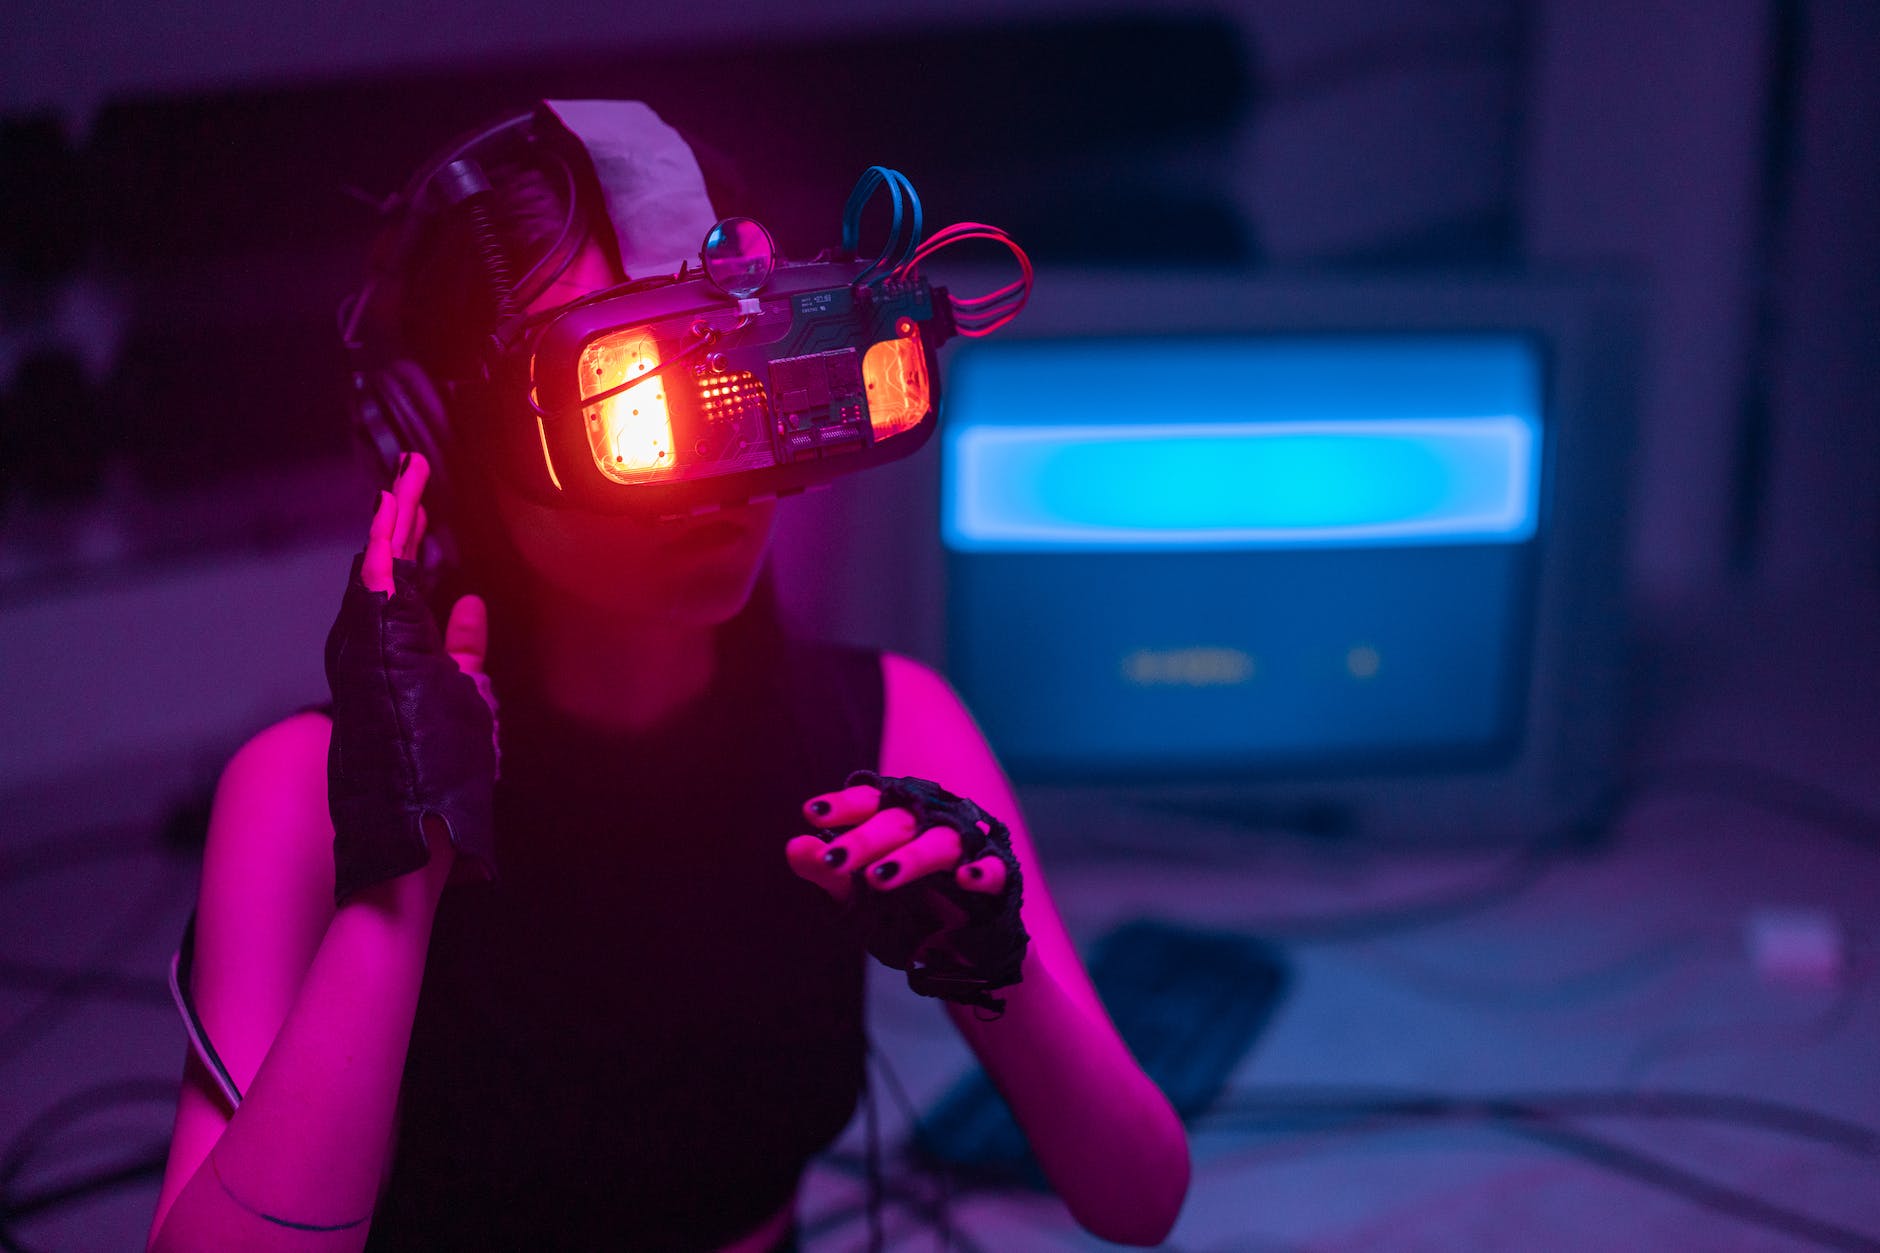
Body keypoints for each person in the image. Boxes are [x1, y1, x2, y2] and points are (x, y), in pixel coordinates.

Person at [145, 100, 1189, 1252]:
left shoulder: (886, 733)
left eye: (735, 368)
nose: (713, 466)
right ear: (440, 440)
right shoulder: (299, 795)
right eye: (628, 399)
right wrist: (399, 887)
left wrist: (1001, 967)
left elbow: (1138, 1198)